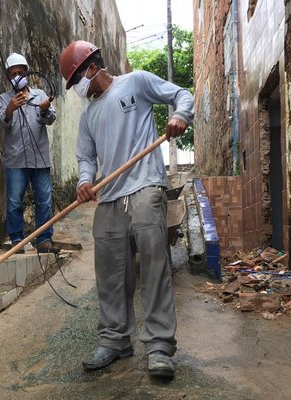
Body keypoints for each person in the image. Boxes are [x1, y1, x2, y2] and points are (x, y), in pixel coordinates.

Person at [58, 41, 194, 377]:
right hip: (109, 197)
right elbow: (86, 158)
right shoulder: (89, 115)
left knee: (154, 267)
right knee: (109, 273)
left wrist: (179, 115)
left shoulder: (136, 82)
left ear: (91, 68)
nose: (77, 88)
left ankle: (160, 346)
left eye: (75, 79)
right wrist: (84, 182)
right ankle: (115, 340)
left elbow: (182, 95)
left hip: (146, 186)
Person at [0, 53, 59, 254]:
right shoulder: (4, 99)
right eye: (13, 74)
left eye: (20, 73)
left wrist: (44, 110)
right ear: (8, 76)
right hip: (16, 160)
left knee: (44, 201)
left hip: (40, 159)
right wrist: (10, 109)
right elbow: (0, 123)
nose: (17, 76)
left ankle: (44, 240)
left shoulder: (40, 95)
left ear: (27, 74)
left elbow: (50, 119)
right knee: (15, 201)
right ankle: (17, 240)